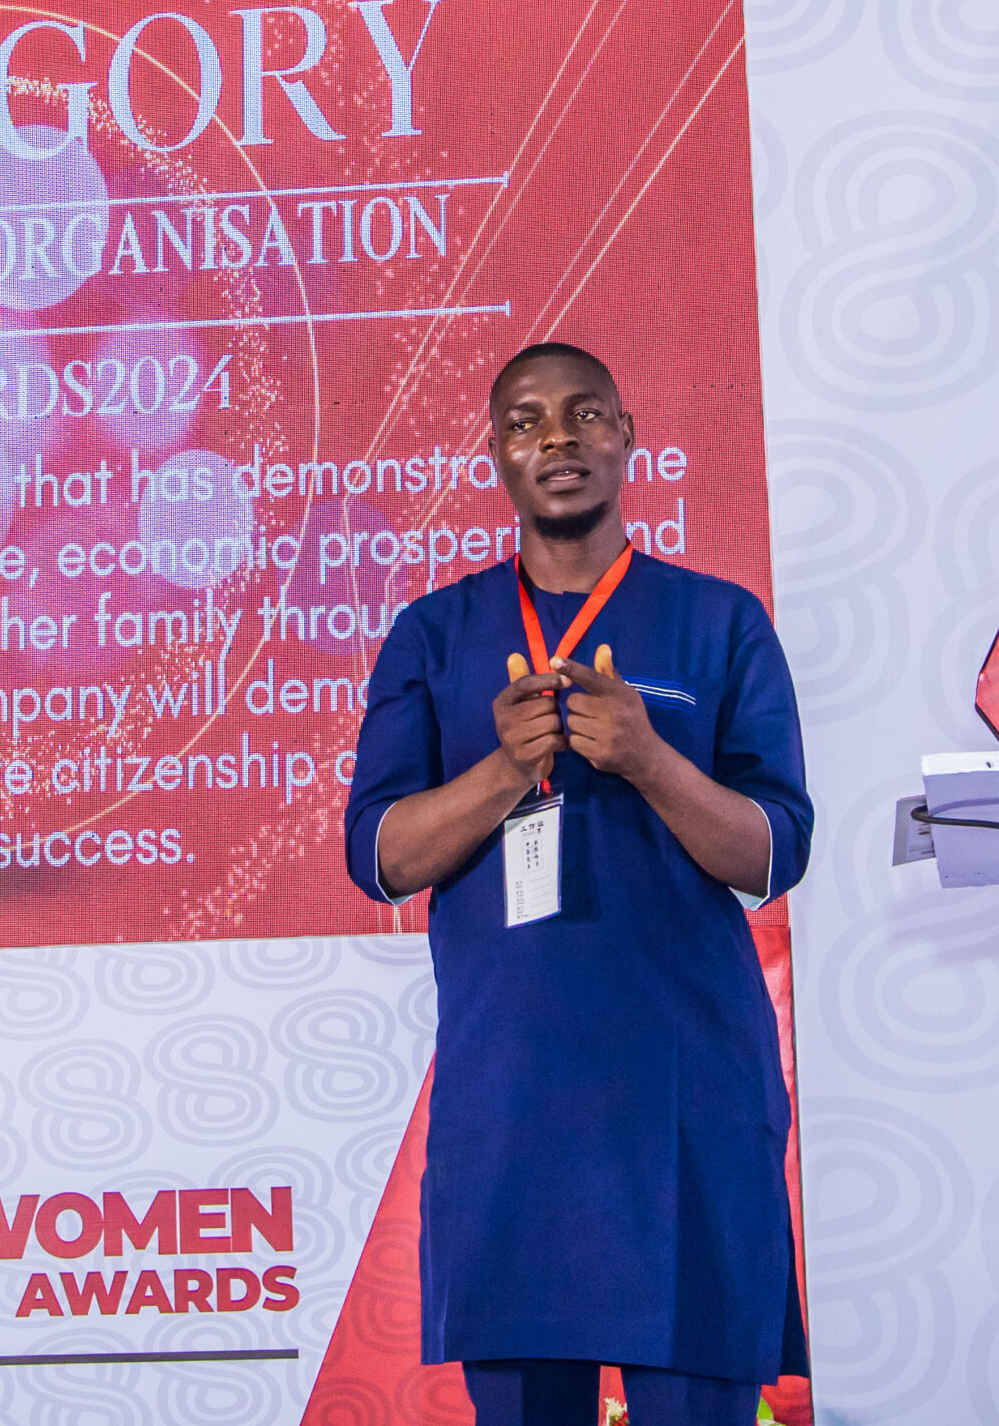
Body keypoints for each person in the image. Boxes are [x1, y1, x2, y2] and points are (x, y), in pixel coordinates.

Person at [343, 342, 811, 1426]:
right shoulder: (433, 634)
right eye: (525, 421)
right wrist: (506, 770)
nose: (557, 437)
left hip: (689, 1095)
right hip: (512, 1099)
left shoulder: (720, 621)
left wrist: (647, 757)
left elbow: (774, 852)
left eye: (584, 412)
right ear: (495, 454)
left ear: (627, 435)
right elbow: (379, 858)